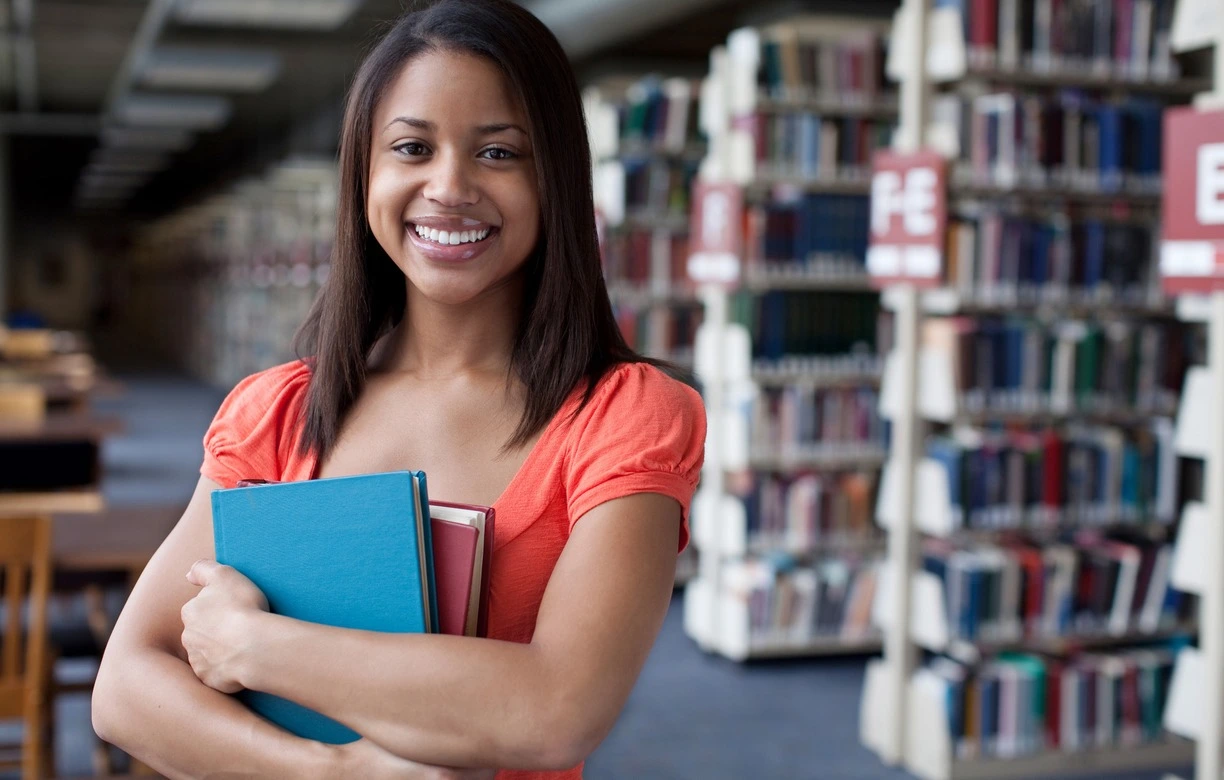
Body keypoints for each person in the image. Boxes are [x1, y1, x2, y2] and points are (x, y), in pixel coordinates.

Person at [91, 0, 705, 777]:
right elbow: (125, 690)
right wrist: (332, 773)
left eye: (499, 153)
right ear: (365, 176)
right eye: (412, 147)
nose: (448, 187)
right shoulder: (276, 412)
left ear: (556, 177)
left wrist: (256, 646)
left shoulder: (626, 417)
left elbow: (555, 711)